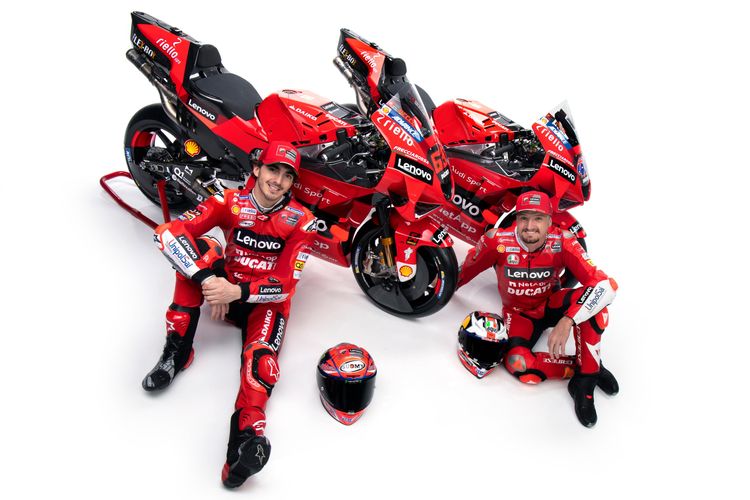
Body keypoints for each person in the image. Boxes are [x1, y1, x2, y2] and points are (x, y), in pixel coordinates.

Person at [142, 141, 316, 487]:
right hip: (224, 285)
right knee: (195, 255)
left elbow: (285, 285)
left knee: (260, 365)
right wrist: (209, 280)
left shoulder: (304, 222)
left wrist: (235, 292)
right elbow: (167, 233)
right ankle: (177, 353)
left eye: (287, 176)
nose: (278, 180)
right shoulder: (229, 201)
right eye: (273, 169)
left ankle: (246, 441)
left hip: (264, 301)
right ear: (257, 169)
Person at [457, 191, 619, 428]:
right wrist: (429, 296)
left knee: (599, 310)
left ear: (550, 221)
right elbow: (463, 272)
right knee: (518, 364)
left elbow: (607, 286)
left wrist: (568, 320)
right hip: (518, 314)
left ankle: (585, 380)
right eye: (524, 218)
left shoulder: (563, 240)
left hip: (552, 304)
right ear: (516, 219)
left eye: (538, 218)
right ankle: (586, 367)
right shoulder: (496, 240)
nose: (530, 226)